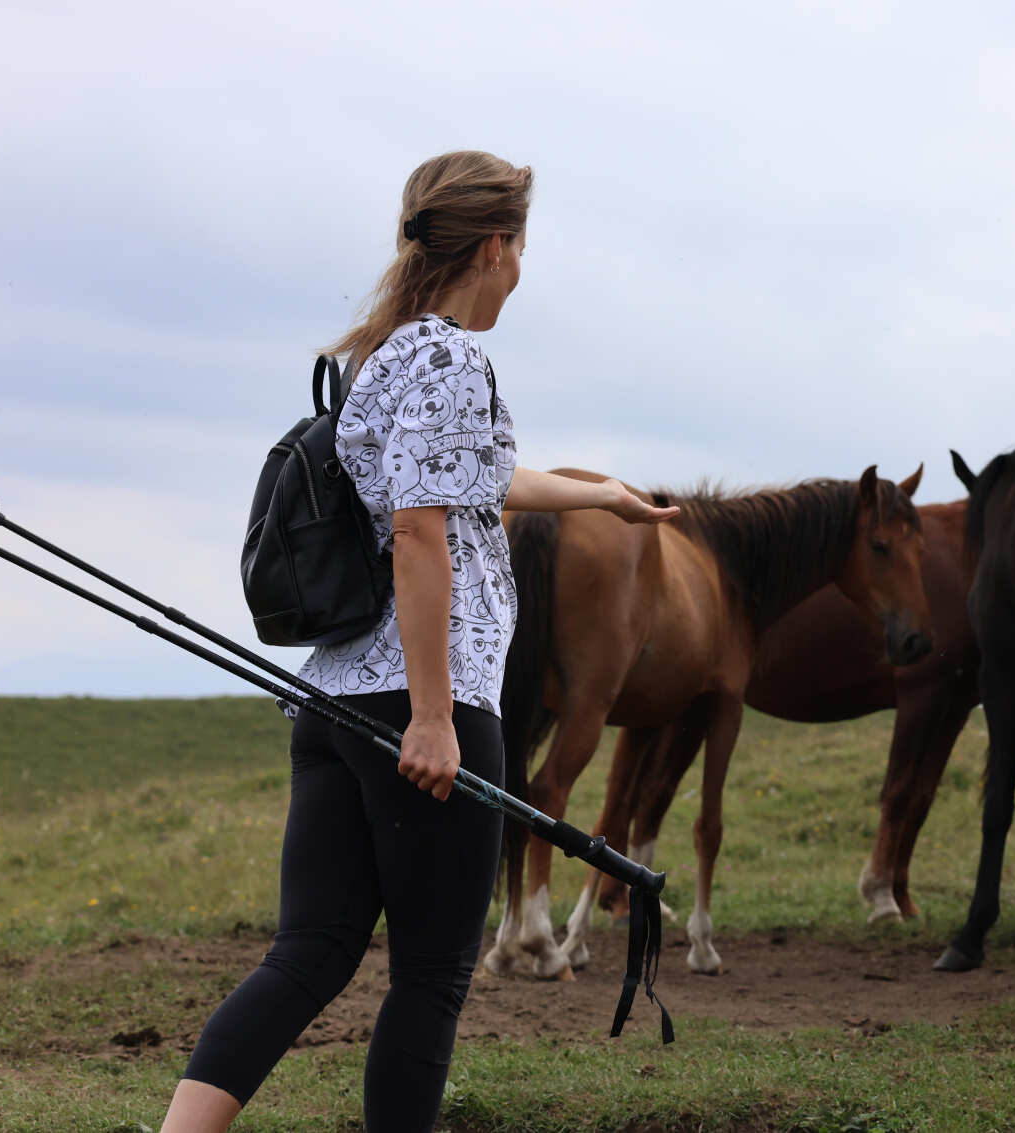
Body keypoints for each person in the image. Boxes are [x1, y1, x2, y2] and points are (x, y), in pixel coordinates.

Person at [160, 150, 678, 1132]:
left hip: (337, 699)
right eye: (521, 246)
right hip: (423, 704)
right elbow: (417, 529)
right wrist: (435, 716)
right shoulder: (450, 358)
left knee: (309, 952)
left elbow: (466, 477)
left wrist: (601, 495)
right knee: (432, 974)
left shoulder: (385, 355)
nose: (521, 268)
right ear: (495, 247)